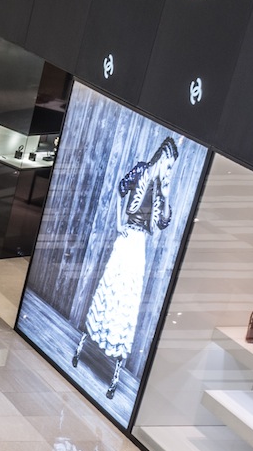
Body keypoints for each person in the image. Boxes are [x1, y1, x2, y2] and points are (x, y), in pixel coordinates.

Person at [74, 137, 180, 399]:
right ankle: (89, 340)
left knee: (127, 298)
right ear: (162, 158)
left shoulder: (160, 189)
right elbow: (121, 188)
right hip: (126, 238)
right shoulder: (142, 170)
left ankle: (114, 354)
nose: (169, 171)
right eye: (168, 165)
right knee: (110, 288)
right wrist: (119, 222)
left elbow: (163, 223)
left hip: (140, 245)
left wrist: (165, 195)